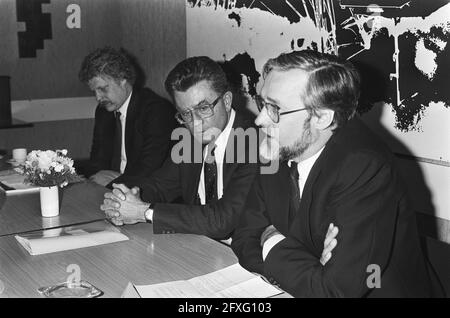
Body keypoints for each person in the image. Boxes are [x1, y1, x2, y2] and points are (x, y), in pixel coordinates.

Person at [231, 50, 434, 297]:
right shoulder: (277, 147)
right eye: (262, 102)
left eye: (274, 108)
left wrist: (271, 239)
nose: (260, 119)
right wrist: (310, 265)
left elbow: (335, 290)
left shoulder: (365, 167)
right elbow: (243, 237)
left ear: (322, 117)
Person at [99, 56, 259, 240]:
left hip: (241, 255)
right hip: (200, 244)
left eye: (203, 108)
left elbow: (222, 220)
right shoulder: (190, 140)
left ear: (227, 101)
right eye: (186, 114)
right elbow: (159, 186)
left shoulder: (254, 144)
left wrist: (144, 211)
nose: (195, 123)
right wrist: (123, 200)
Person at [77, 47, 177, 187]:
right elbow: (97, 161)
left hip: (146, 192)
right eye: (94, 91)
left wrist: (116, 182)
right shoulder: (103, 111)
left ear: (122, 80)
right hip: (111, 190)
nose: (98, 97)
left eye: (102, 89)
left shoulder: (156, 110)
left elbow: (149, 168)